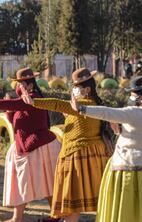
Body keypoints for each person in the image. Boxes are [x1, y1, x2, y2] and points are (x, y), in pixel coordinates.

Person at [20, 68, 110, 222]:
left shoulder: (82, 105)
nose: (74, 90)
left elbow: (57, 104)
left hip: (79, 156)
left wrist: (34, 102)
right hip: (91, 155)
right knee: (87, 203)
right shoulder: (93, 103)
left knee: (72, 202)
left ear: (87, 89)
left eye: (77, 87)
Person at [0, 68, 61, 222]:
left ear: (30, 86)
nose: (18, 86)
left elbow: (16, 103)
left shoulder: (33, 98)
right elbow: (16, 121)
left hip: (40, 147)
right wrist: (9, 111)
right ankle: (18, 217)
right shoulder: (23, 101)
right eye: (17, 83)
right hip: (26, 147)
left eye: (21, 84)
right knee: (23, 182)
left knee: (47, 182)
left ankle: (54, 215)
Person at [70, 76, 142, 222]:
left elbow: (106, 112)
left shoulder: (134, 112)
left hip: (127, 169)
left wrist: (82, 108)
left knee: (124, 209)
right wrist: (120, 131)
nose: (131, 97)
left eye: (132, 94)